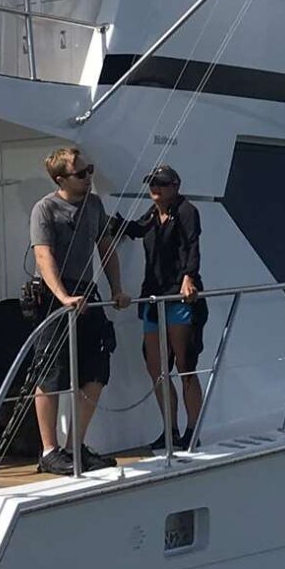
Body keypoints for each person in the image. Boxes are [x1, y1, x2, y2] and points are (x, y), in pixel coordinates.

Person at [26, 145, 129, 474]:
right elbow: (44, 257)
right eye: (81, 173)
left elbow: (106, 249)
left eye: (90, 170)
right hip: (56, 296)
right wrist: (63, 296)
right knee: (50, 374)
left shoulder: (94, 205)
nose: (88, 177)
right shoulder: (45, 209)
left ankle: (75, 446)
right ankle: (49, 450)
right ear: (61, 179)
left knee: (96, 369)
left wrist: (116, 289)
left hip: (88, 293)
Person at [120, 164, 207, 451]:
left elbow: (192, 245)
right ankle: (169, 430)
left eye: (161, 183)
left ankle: (193, 430)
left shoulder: (186, 211)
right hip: (153, 296)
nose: (155, 188)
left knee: (185, 366)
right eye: (152, 183)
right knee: (156, 368)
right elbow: (135, 229)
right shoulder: (152, 214)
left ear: (175, 186)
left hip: (179, 296)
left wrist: (189, 277)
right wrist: (105, 222)